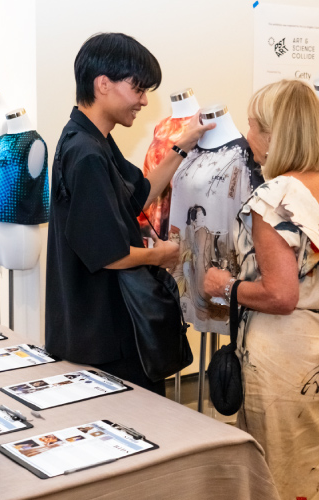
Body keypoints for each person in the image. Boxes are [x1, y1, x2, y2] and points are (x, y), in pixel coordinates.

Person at [203, 80, 319, 499]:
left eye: (254, 126)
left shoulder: (273, 197)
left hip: (283, 359)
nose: (247, 136)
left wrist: (226, 287)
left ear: (276, 134)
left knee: (277, 472)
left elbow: (281, 296)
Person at [45, 32, 213, 395]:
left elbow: (139, 194)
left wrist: (181, 147)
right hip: (105, 337)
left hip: (99, 328)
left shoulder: (91, 140)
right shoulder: (87, 153)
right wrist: (162, 255)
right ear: (103, 84)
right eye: (137, 88)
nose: (143, 100)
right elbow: (110, 255)